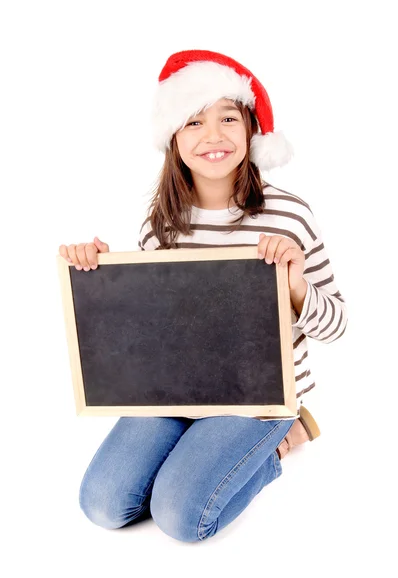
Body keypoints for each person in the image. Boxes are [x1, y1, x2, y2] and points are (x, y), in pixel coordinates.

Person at [59, 49, 348, 542]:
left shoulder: (289, 217)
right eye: (193, 122)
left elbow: (336, 326)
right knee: (104, 506)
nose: (213, 136)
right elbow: (150, 329)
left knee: (181, 520)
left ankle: (283, 437)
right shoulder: (160, 225)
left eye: (228, 118)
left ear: (252, 131)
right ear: (174, 139)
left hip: (259, 398)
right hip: (176, 394)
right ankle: (204, 445)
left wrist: (297, 283)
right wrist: (101, 275)